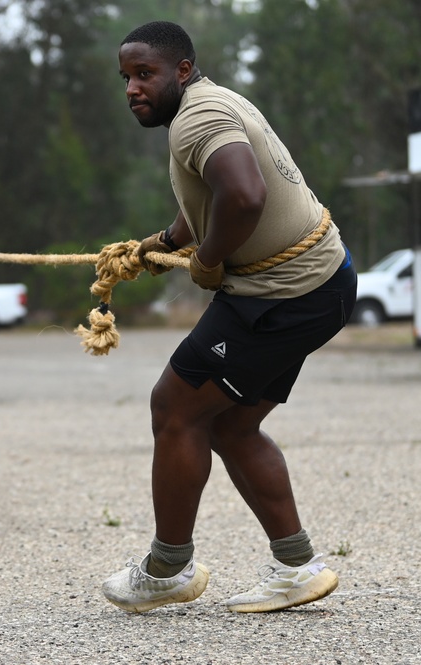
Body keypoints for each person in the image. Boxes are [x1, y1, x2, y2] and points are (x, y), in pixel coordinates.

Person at [102, 21, 357, 614]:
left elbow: (243, 197)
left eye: (146, 74)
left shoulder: (197, 118)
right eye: (126, 78)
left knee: (174, 407)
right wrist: (163, 244)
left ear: (182, 70)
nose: (133, 89)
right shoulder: (213, 101)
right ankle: (298, 567)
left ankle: (167, 569)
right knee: (230, 424)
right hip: (323, 284)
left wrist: (209, 261)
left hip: (280, 294)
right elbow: (215, 196)